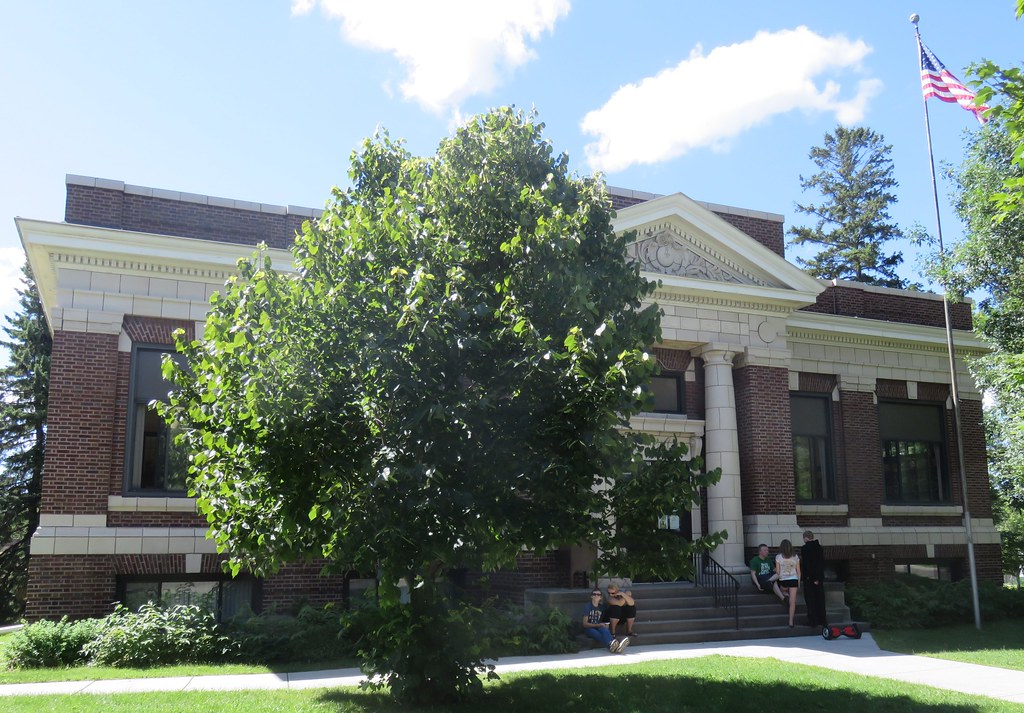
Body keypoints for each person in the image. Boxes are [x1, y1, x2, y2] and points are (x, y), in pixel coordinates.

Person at [581, 589, 627, 653]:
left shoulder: (601, 607)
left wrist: (605, 624)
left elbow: (605, 618)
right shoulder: (587, 606)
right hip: (589, 628)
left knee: (605, 630)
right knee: (598, 634)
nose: (596, 596)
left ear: (601, 597)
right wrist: (598, 625)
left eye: (598, 594)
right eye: (594, 594)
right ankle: (614, 646)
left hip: (599, 626)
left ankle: (614, 646)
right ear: (591, 596)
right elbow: (585, 624)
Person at [801, 530, 827, 628]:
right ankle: (822, 619)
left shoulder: (805, 548)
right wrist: (818, 578)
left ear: (805, 538)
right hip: (819, 577)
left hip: (810, 578)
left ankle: (813, 620)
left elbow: (808, 565)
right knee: (820, 599)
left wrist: (812, 577)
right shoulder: (819, 548)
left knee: (811, 600)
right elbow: (820, 563)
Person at [775, 538, 801, 628]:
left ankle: (785, 594)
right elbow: (798, 571)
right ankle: (791, 622)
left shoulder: (778, 557)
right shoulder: (795, 556)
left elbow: (778, 572)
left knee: (782, 590)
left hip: (784, 580)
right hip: (794, 579)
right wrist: (799, 582)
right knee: (792, 602)